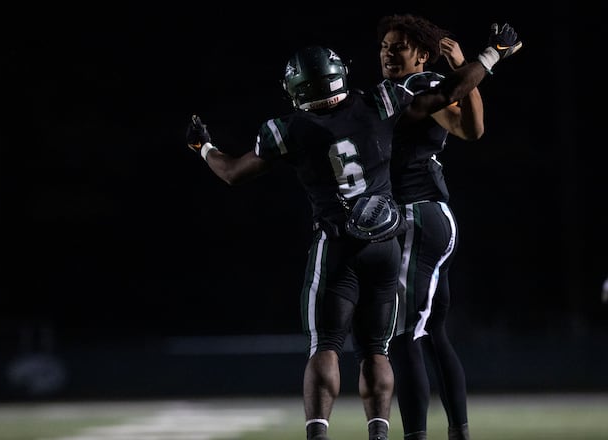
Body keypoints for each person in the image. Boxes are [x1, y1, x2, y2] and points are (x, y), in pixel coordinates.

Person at [184, 25, 522, 440]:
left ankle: (321, 432)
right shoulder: (380, 101)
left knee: (329, 343)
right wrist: (491, 54)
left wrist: (202, 148)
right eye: (385, 47)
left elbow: (233, 172)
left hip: (343, 240)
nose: (387, 54)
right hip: (387, 241)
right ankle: (382, 431)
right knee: (388, 345)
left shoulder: (286, 128)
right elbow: (452, 90)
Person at [363, 14, 485, 440]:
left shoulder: (419, 87)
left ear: (422, 55)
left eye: (399, 47)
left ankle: (416, 435)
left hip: (416, 215)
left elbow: (472, 128)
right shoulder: (415, 89)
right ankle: (459, 431)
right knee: (432, 332)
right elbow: (471, 128)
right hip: (429, 217)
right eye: (384, 47)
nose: (388, 53)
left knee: (402, 334)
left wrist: (467, 68)